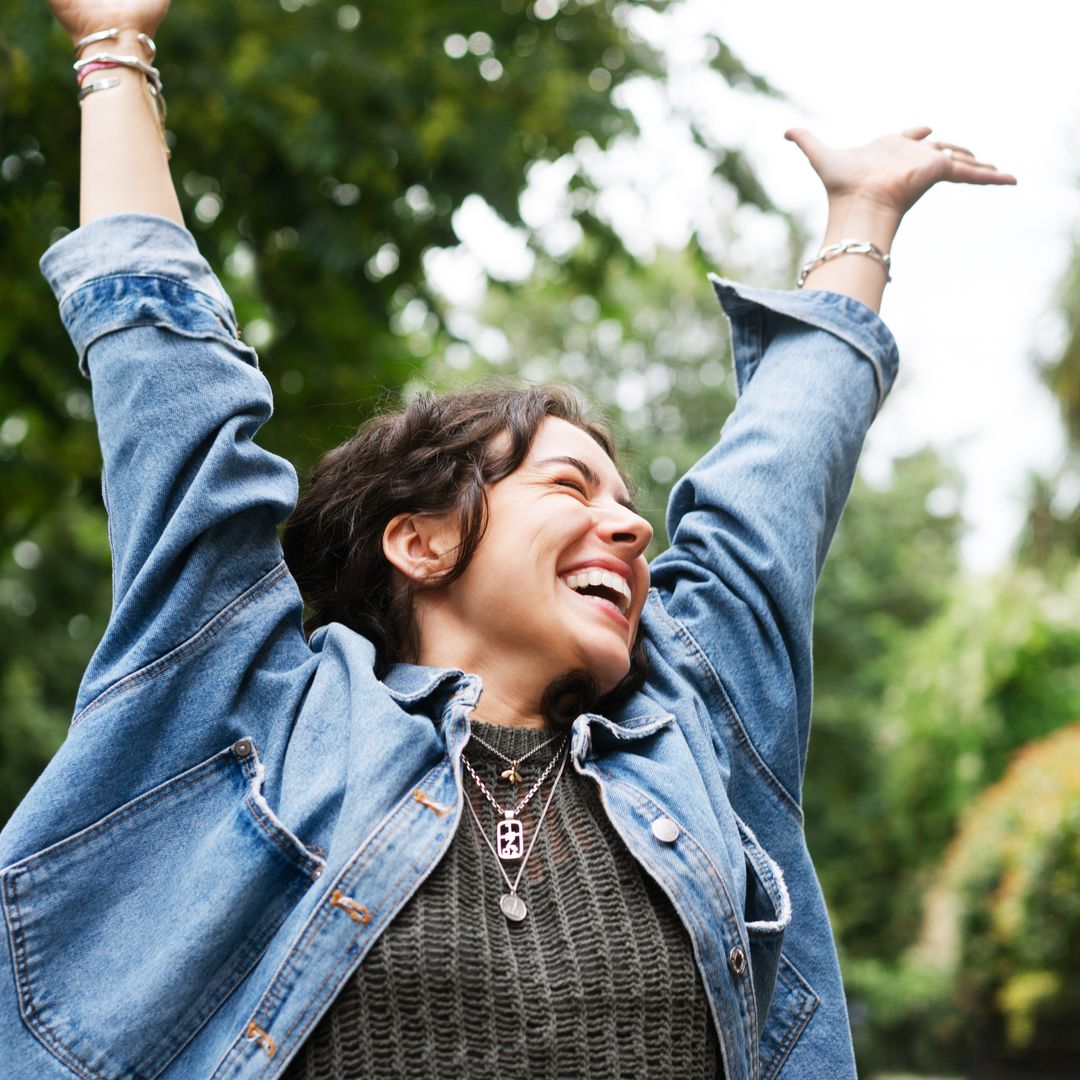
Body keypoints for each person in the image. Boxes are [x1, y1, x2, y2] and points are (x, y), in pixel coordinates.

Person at [0, 2, 1016, 1078]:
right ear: (421, 544)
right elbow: (173, 390)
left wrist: (861, 219)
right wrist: (114, 51)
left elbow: (774, 490)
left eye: (626, 503)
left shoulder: (692, 724)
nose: (629, 527)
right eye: (570, 484)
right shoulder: (259, 717)